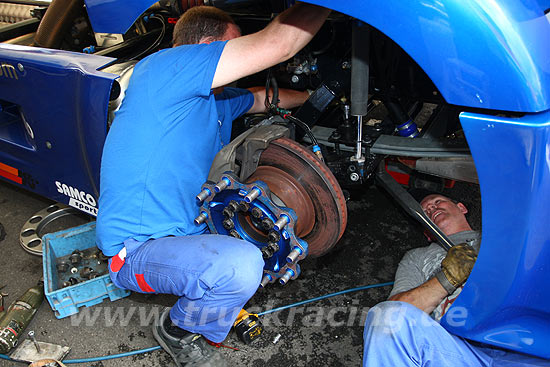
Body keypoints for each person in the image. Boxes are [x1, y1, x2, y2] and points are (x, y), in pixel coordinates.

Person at [96, 3, 330, 367]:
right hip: (137, 252)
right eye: (235, 48)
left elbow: (258, 98)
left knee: (257, 245)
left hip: (186, 232)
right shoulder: (164, 68)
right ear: (204, 47)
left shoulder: (210, 100)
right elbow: (279, 44)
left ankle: (208, 293)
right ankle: (177, 330)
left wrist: (328, 98)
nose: (240, 58)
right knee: (241, 265)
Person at [362, 193, 550, 366]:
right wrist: (447, 278)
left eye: (437, 202)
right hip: (457, 352)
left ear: (461, 207)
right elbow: (396, 312)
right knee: (386, 317)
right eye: (425, 211)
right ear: (427, 233)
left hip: (527, 347)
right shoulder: (416, 257)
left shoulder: (502, 238)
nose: (432, 208)